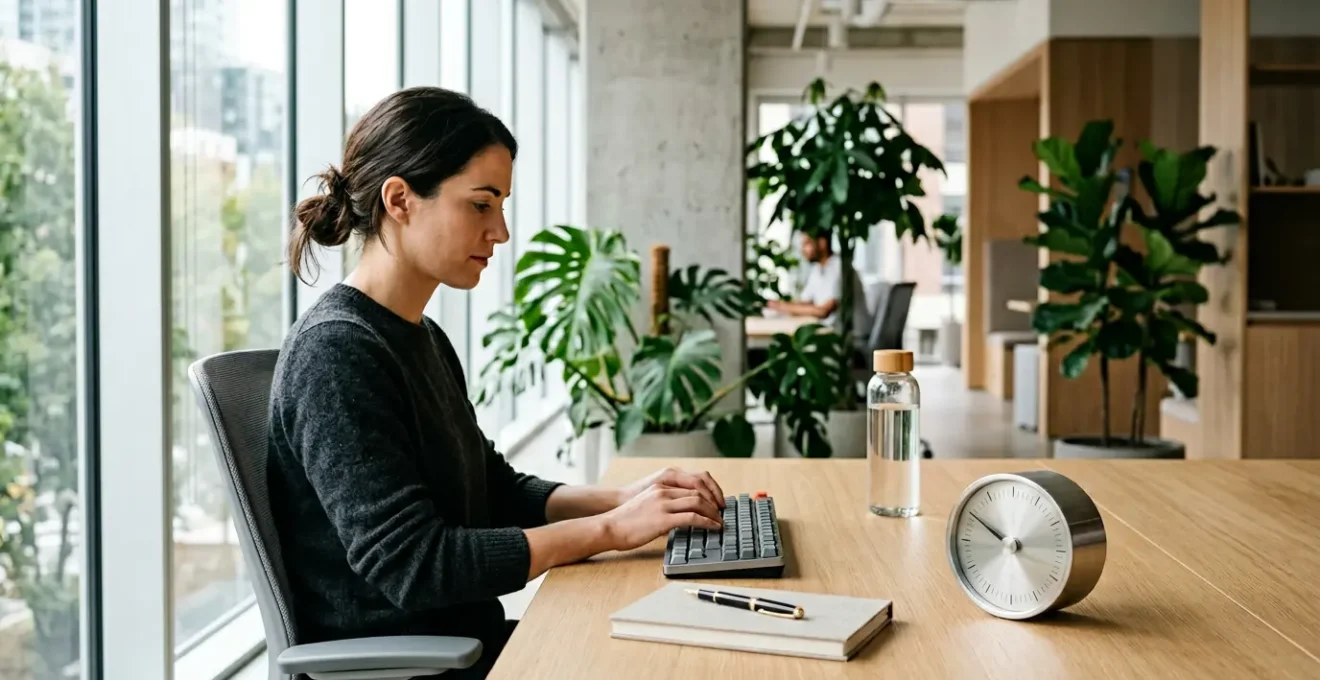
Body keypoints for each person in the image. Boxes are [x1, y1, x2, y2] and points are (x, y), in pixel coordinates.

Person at [267, 87, 726, 679]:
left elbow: (494, 490)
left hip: (471, 645)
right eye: (481, 205)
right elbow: (417, 565)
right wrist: (610, 530)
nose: (501, 232)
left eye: (501, 205)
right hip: (421, 664)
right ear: (400, 200)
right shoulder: (336, 352)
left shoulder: (420, 337)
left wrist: (630, 497)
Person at [765, 232, 872, 343]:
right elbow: (806, 302)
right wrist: (776, 305)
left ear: (822, 243)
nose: (803, 250)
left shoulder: (839, 268)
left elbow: (823, 311)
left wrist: (783, 307)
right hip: (833, 334)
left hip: (853, 340)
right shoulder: (818, 268)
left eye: (806, 244)